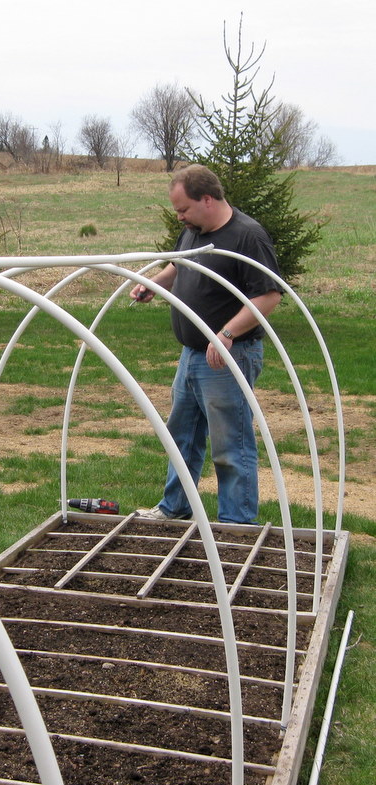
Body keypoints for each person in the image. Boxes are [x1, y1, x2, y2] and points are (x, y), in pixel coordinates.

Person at [129, 164, 283, 525]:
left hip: (230, 356)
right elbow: (179, 267)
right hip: (193, 354)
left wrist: (227, 334)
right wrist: (155, 283)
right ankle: (175, 508)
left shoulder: (247, 236)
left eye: (183, 209)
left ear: (208, 200)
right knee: (181, 435)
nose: (179, 216)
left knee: (231, 443)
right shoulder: (194, 231)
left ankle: (236, 524)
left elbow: (269, 296)